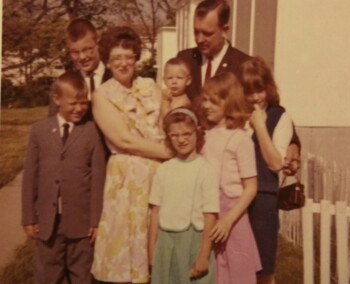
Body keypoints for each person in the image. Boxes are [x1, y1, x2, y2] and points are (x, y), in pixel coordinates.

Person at [177, 0, 301, 175]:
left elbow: (272, 110)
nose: (199, 39)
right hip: (191, 160)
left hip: (227, 168)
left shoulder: (243, 65)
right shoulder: (185, 59)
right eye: (196, 32)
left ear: (225, 29)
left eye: (207, 33)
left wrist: (293, 145)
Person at [90, 26, 171, 284]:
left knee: (157, 242)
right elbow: (124, 140)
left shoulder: (150, 85)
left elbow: (166, 122)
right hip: (127, 180)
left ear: (136, 57)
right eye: (116, 58)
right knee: (126, 243)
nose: (123, 63)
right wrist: (171, 152)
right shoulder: (102, 96)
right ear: (107, 62)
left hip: (159, 176)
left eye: (128, 56)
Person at [21, 71, 107, 284]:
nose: (79, 108)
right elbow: (30, 177)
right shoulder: (39, 131)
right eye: (73, 103)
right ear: (57, 100)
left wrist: (95, 219)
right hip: (48, 224)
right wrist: (29, 216)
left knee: (83, 275)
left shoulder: (91, 132)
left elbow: (98, 178)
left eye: (83, 103)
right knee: (49, 275)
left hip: (81, 223)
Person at [199, 72, 262, 284]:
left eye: (213, 101)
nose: (206, 105)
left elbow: (251, 187)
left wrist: (227, 220)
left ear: (229, 101)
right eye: (205, 99)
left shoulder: (240, 138)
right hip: (207, 212)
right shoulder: (203, 135)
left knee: (236, 272)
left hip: (232, 217)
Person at [238, 57, 294, 284]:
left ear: (268, 88)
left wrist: (260, 126)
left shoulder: (280, 117)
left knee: (263, 265)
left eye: (259, 90)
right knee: (236, 263)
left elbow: (275, 163)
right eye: (248, 92)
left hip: (262, 199)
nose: (254, 98)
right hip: (235, 196)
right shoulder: (236, 116)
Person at [148, 108, 219, 284]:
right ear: (169, 137)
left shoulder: (206, 170)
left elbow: (210, 215)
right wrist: (151, 252)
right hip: (166, 244)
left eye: (187, 134)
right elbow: (155, 213)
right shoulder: (164, 170)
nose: (181, 140)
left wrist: (203, 254)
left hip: (193, 243)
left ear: (197, 132)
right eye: (175, 135)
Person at [48, 18, 112, 117]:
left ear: (97, 44)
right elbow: (53, 125)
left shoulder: (115, 78)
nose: (82, 57)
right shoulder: (63, 84)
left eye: (87, 49)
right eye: (75, 52)